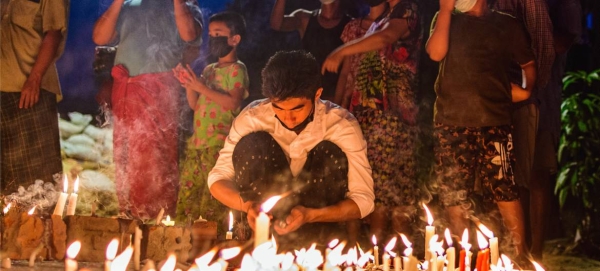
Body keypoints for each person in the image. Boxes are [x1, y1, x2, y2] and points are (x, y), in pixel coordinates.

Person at [208, 50, 375, 250]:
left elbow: (363, 200)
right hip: (265, 225)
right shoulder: (252, 118)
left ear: (317, 94)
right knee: (253, 143)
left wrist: (311, 215)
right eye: (278, 107)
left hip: (318, 226)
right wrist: (248, 206)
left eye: (297, 108)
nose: (288, 118)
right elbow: (218, 178)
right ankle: (261, 245)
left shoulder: (341, 125)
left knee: (330, 151)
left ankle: (319, 248)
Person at [426, 0, 536, 260]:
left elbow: (528, 63)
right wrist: (445, 11)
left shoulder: (506, 24)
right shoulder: (446, 19)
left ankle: (520, 257)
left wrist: (527, 89)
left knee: (505, 190)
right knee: (454, 194)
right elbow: (435, 53)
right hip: (451, 122)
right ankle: (463, 258)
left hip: (495, 122)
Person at [323, 0, 423, 242]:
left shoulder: (407, 9)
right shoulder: (387, 15)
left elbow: (385, 38)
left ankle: (396, 256)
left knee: (391, 190)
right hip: (371, 114)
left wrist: (342, 50)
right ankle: (379, 255)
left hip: (392, 116)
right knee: (378, 187)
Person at [92, 0, 203, 219]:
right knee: (126, 157)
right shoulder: (129, 5)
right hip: (126, 91)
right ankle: (129, 214)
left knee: (156, 159)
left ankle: (158, 220)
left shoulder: (183, 6)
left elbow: (190, 34)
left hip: (158, 93)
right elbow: (99, 37)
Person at [172, 12, 249, 230]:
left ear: (235, 39)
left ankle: (209, 245)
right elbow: (197, 106)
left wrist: (201, 87)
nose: (213, 38)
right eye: (211, 34)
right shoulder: (208, 70)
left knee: (211, 201)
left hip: (218, 147)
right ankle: (182, 242)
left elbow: (233, 103)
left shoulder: (237, 70)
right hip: (197, 145)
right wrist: (189, 85)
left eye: (218, 34)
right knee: (188, 197)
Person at [490, 0, 555, 260]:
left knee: (519, 178)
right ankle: (502, 252)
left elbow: (543, 50)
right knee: (498, 176)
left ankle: (524, 254)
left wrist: (528, 90)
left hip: (519, 100)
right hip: (489, 100)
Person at [1, 0, 69, 193]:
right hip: (2, 90)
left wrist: (34, 79)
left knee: (35, 178)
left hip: (30, 93)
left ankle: (38, 223)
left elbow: (54, 34)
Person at [270, 0, 351, 101]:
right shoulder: (305, 18)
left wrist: (338, 103)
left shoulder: (351, 25)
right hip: (307, 97)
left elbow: (347, 72)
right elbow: (277, 24)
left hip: (335, 99)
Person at [334, 0, 388, 108]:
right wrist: (336, 106)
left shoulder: (389, 29)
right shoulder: (353, 27)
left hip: (377, 102)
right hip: (351, 102)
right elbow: (345, 72)